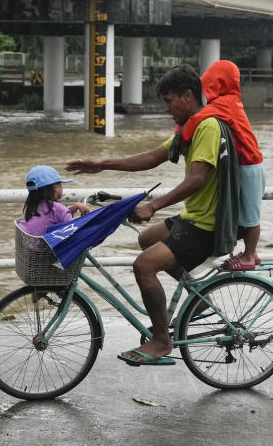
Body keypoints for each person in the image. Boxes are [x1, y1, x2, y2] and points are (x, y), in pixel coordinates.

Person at [66, 64, 240, 366]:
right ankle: (199, 298)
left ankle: (161, 340)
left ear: (188, 96)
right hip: (194, 219)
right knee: (147, 238)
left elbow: (197, 178)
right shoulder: (192, 126)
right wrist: (102, 164)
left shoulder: (208, 127)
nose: (166, 108)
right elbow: (151, 157)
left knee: (144, 266)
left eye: (169, 100)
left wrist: (153, 205)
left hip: (207, 226)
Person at [175, 60, 265, 270]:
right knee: (244, 212)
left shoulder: (227, 103)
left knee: (250, 215)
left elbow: (199, 118)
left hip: (249, 166)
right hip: (244, 165)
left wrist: (181, 134)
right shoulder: (227, 102)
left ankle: (250, 255)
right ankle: (250, 252)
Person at [18, 165, 90, 237]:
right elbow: (73, 230)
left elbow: (50, 217)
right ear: (53, 188)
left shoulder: (32, 207)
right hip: (47, 247)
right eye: (59, 184)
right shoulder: (59, 209)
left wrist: (73, 208)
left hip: (29, 246)